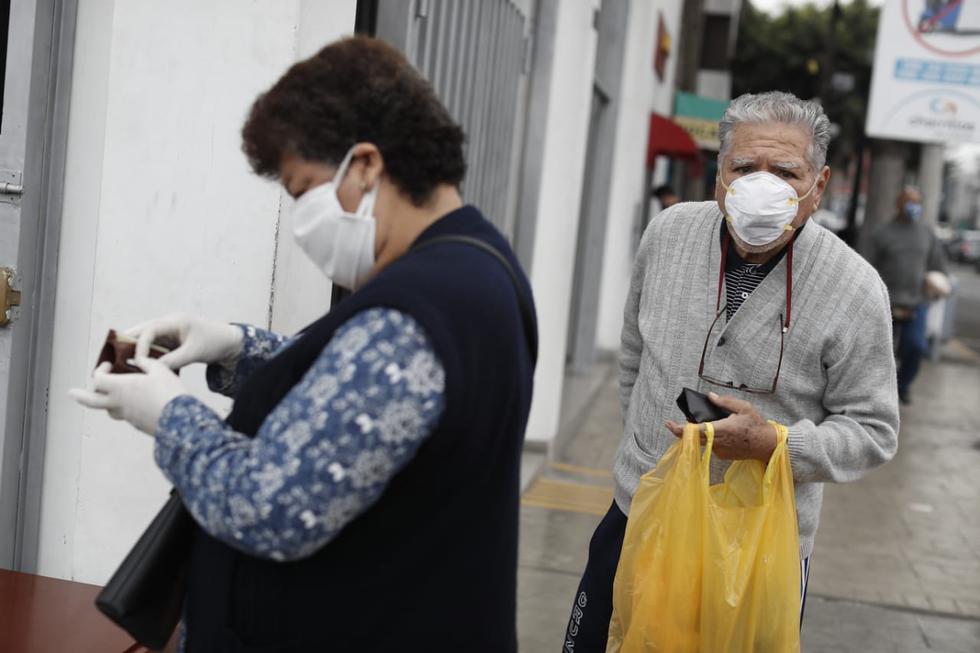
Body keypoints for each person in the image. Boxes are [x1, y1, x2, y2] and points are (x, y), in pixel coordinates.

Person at [70, 36, 537, 652]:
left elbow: (269, 507)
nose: (301, 224)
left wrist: (167, 417)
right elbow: (363, 390)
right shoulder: (480, 264)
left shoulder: (412, 315)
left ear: (366, 165)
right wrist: (233, 346)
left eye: (302, 191)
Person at [562, 91, 899, 651]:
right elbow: (633, 357)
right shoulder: (667, 235)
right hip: (640, 514)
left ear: (818, 185)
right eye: (744, 167)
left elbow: (874, 431)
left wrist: (776, 445)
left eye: (786, 172)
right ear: (719, 177)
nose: (762, 186)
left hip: (758, 547)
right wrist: (651, 452)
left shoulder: (856, 288)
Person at [867, 187, 949, 404]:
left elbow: (938, 265)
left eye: (917, 202)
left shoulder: (926, 234)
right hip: (886, 303)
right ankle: (877, 392)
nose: (914, 207)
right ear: (898, 204)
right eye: (909, 202)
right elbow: (866, 267)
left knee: (915, 346)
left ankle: (902, 387)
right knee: (880, 352)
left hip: (916, 302)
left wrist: (939, 283)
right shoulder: (882, 233)